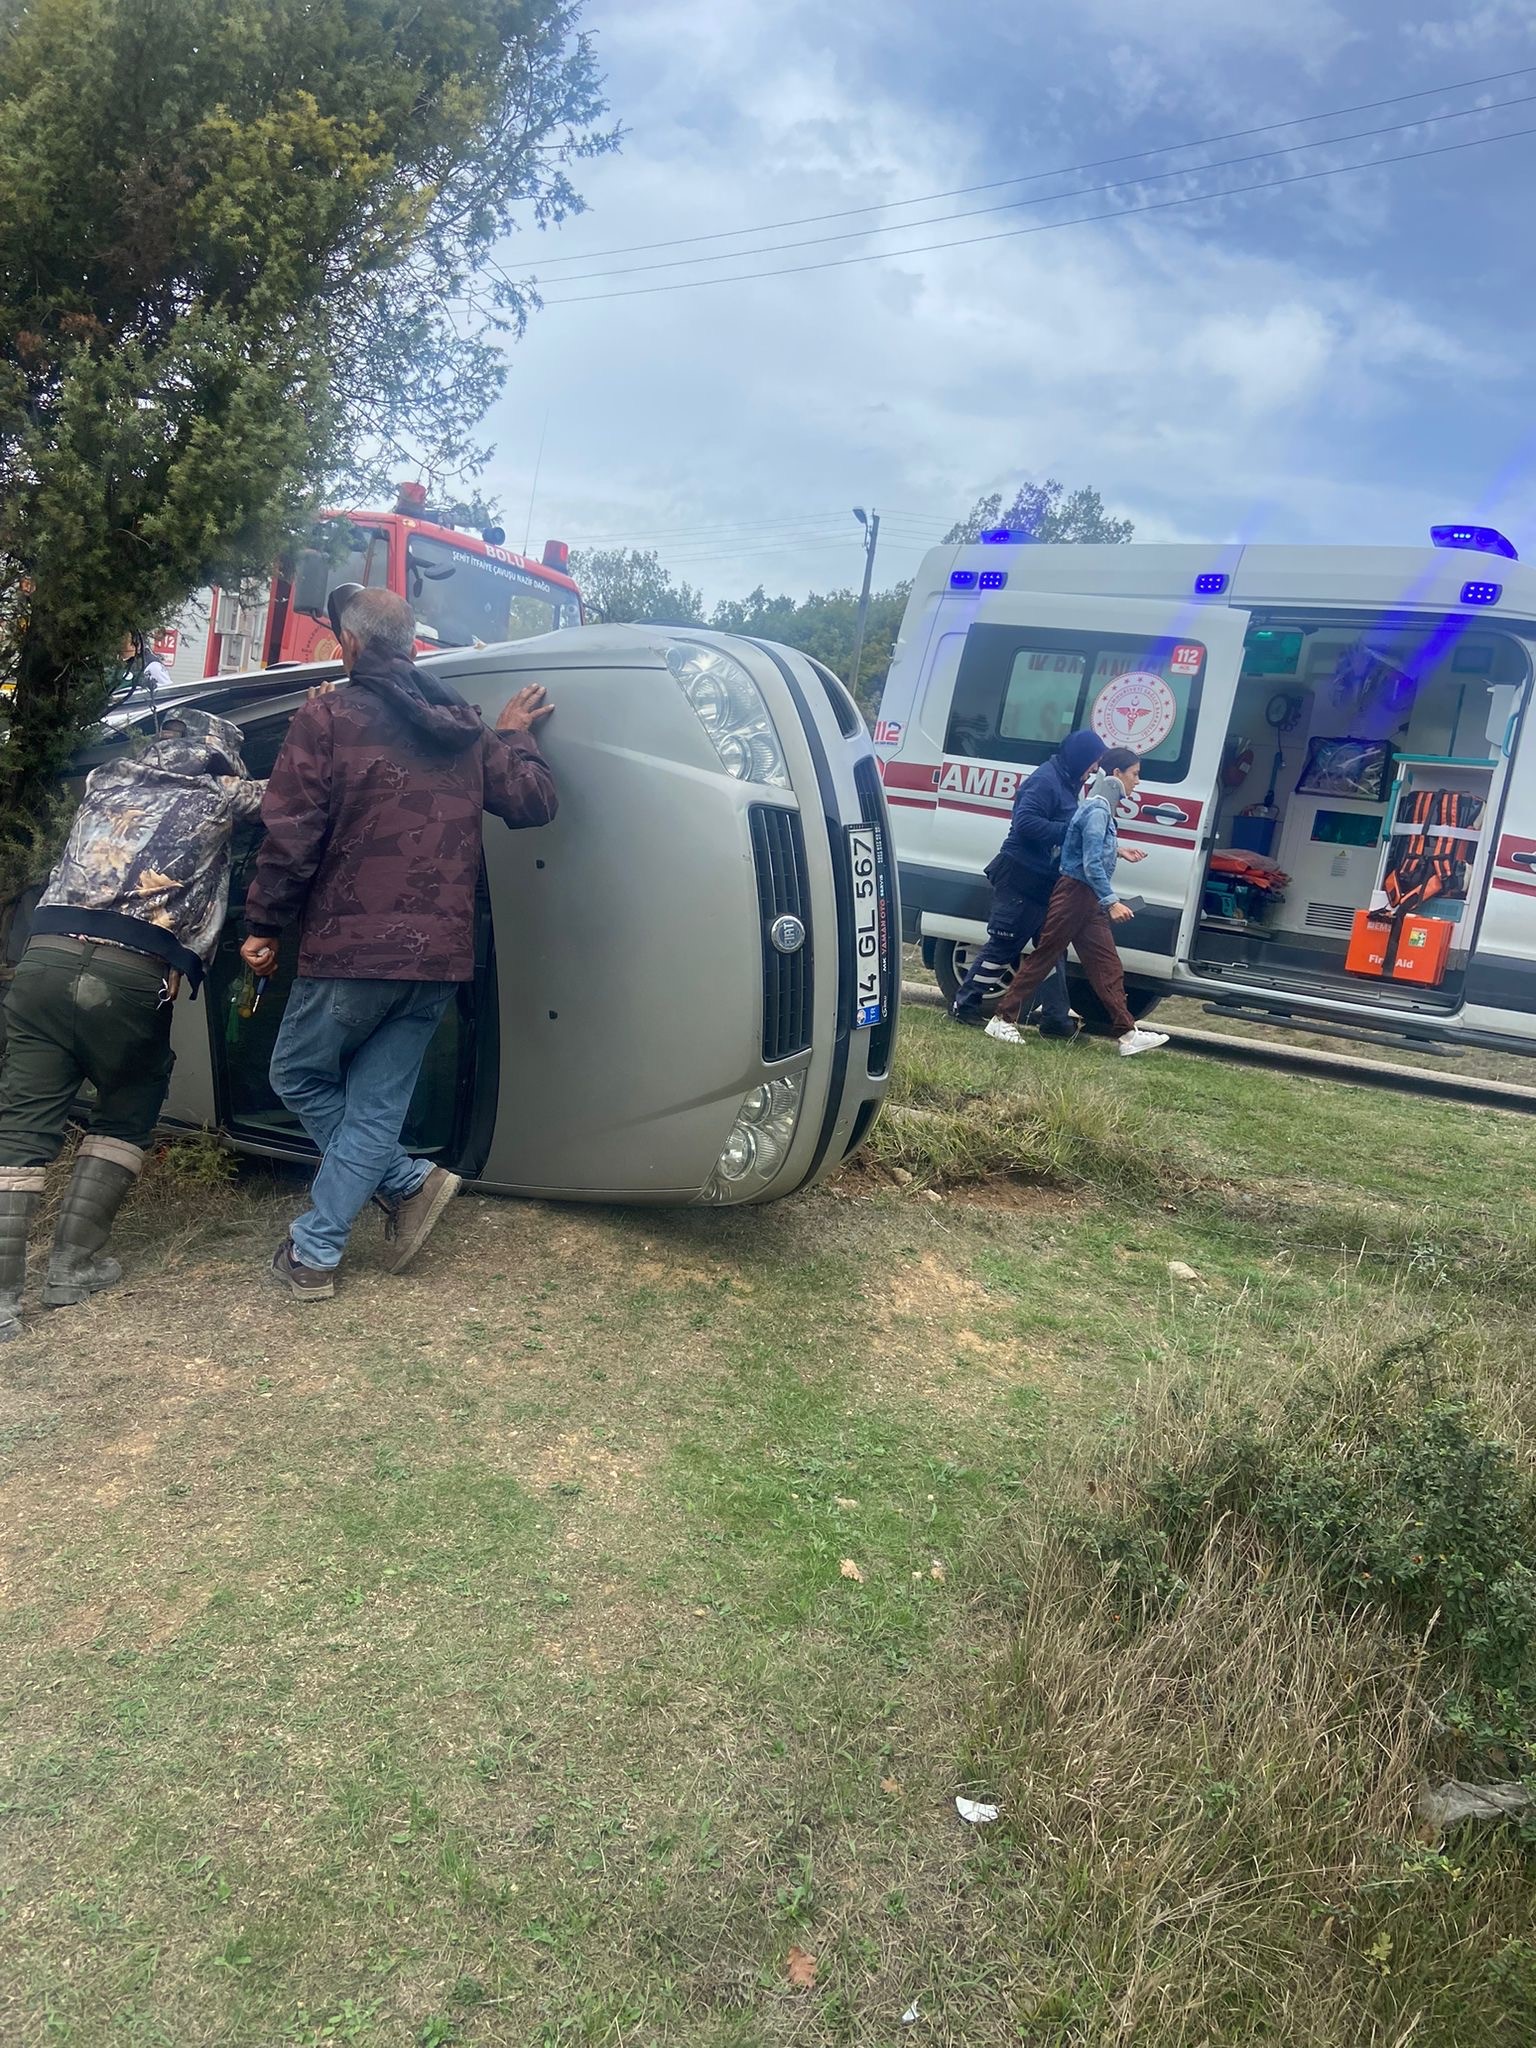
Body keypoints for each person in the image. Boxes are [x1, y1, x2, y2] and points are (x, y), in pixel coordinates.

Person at [241, 587, 557, 1299]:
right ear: (409, 642)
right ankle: (356, 1221)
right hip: (438, 959)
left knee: (296, 1074)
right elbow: (536, 802)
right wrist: (512, 734)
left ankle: (353, 1221)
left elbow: (289, 836)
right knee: (375, 1106)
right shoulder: (466, 728)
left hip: (352, 949)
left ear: (350, 645)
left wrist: (262, 927)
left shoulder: (327, 715)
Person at [0, 709, 265, 1339]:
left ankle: (2, 1302)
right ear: (221, 757)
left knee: (20, 1124)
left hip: (43, 958)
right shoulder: (224, 793)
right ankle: (72, 1266)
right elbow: (296, 800)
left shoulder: (106, 779)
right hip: (130, 971)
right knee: (129, 1100)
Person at [984, 747, 1170, 1058]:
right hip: (1075, 894)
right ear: (1116, 774)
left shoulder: (1097, 808)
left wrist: (1118, 850)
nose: (1137, 782)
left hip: (1084, 897)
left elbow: (1087, 844)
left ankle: (1127, 1033)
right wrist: (1111, 902)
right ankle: (1002, 1018)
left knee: (1106, 964)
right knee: (1046, 954)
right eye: (1135, 774)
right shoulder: (1098, 810)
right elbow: (1090, 862)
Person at [950, 728, 1105, 1033]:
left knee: (1052, 947)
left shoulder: (1068, 781)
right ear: (1081, 758)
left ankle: (1055, 1020)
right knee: (1004, 945)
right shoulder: (1045, 781)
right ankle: (965, 1005)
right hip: (1020, 876)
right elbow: (1025, 823)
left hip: (1044, 880)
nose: (1096, 769)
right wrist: (1072, 831)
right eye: (1094, 762)